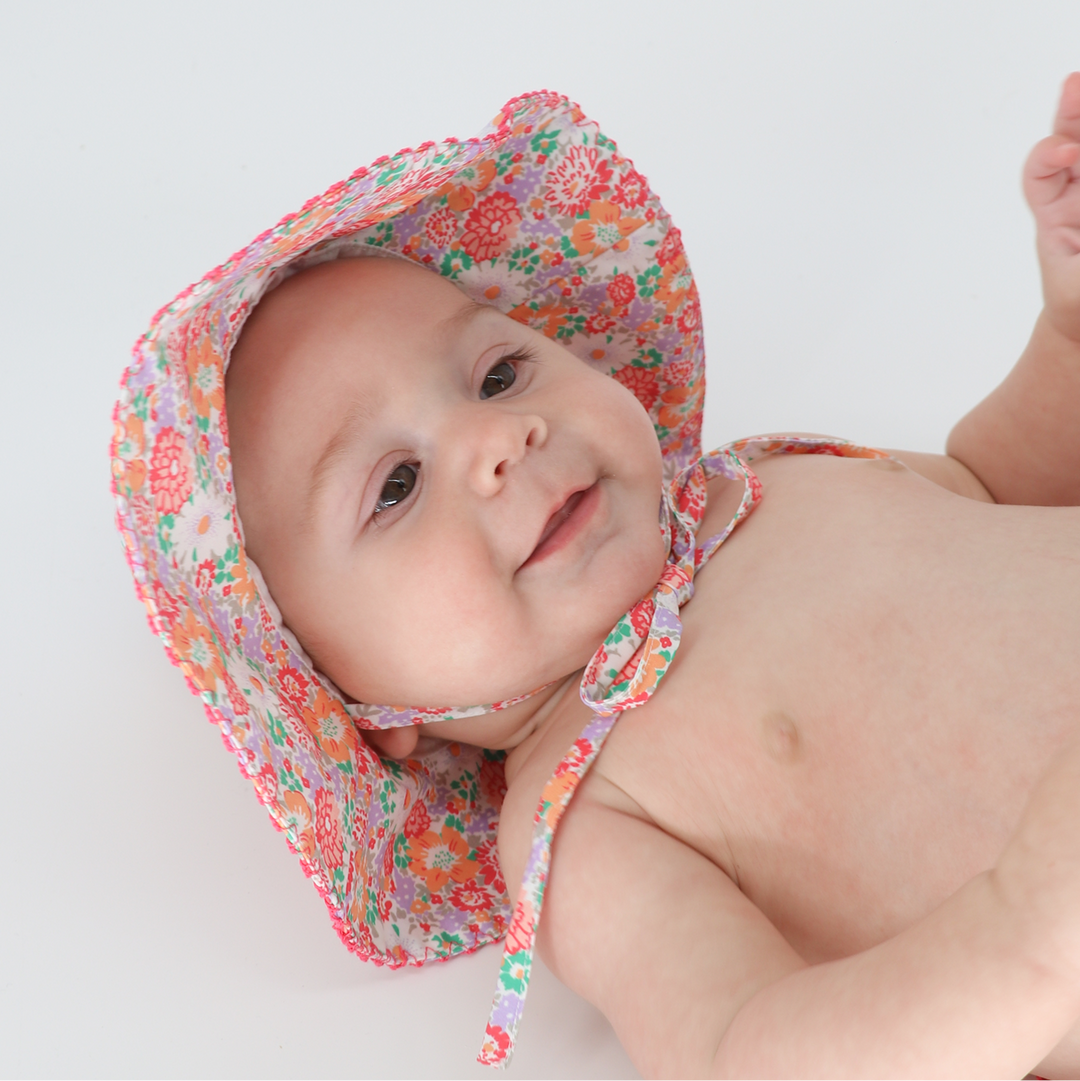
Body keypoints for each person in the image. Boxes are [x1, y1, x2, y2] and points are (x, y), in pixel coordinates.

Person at [114, 78, 1080, 1080]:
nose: (498, 437)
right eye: (396, 485)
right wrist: (1031, 929)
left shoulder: (765, 482)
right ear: (354, 707)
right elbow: (739, 1045)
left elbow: (990, 487)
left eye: (499, 373)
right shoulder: (583, 813)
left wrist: (1066, 338)